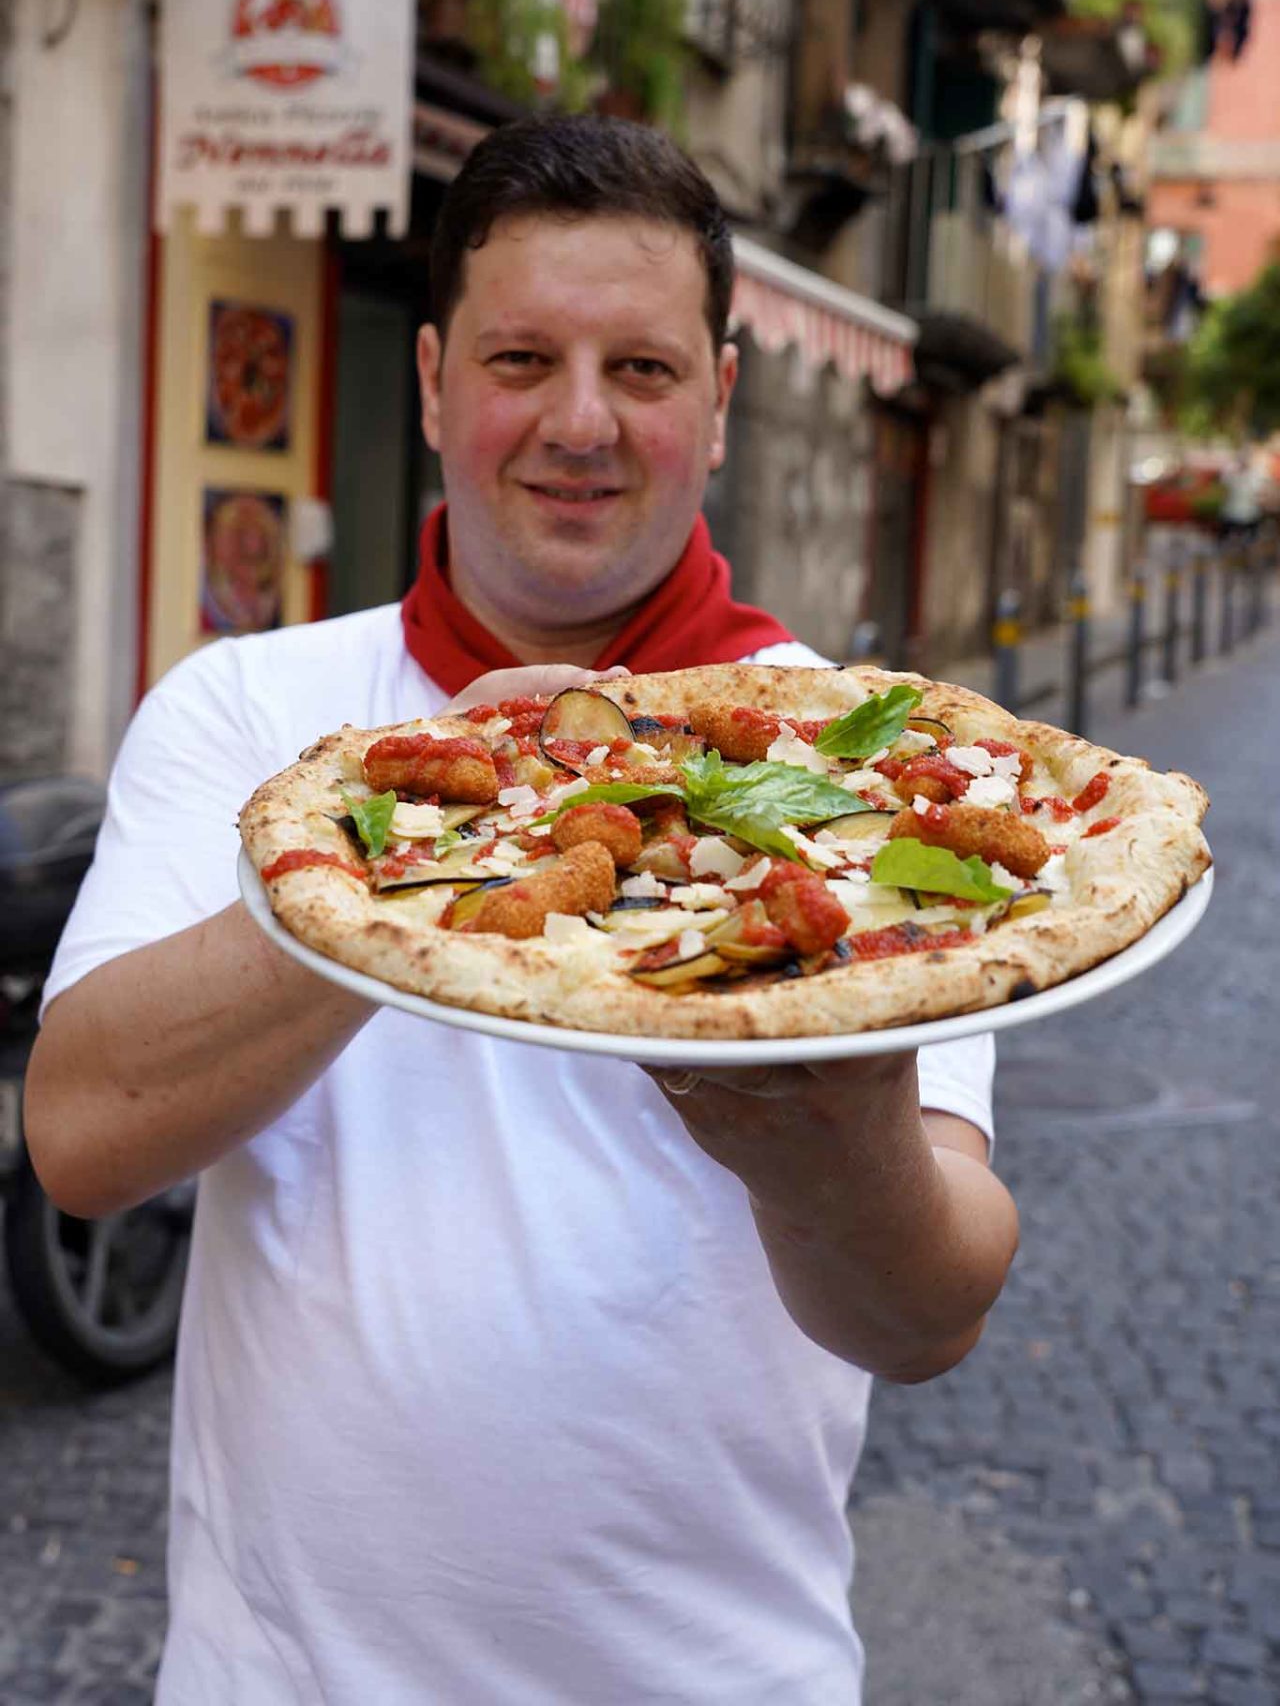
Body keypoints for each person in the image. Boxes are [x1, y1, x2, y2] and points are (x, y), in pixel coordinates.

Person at [26, 115, 1018, 1704]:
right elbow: (81, 1137)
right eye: (518, 360)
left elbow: (923, 1319)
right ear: (428, 383)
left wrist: (827, 1152)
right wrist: (444, 831)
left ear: (718, 403)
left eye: (640, 369)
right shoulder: (245, 713)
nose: (579, 421)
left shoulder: (869, 760)